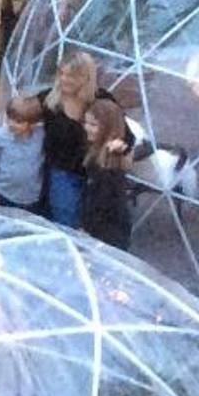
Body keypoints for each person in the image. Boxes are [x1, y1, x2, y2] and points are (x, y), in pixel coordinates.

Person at [39, 54, 102, 229]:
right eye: (61, 73)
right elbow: (19, 116)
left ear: (85, 77)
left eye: (70, 76)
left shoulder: (100, 100)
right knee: (66, 222)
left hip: (95, 173)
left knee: (92, 224)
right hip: (63, 173)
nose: (63, 79)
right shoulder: (49, 100)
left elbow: (122, 131)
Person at [79, 95, 136, 250]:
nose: (86, 128)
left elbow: (102, 204)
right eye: (86, 122)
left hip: (107, 233)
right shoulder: (98, 153)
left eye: (93, 125)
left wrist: (87, 228)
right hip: (105, 228)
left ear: (107, 128)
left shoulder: (108, 167)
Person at [0, 94, 47, 212]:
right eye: (9, 118)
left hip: (30, 199)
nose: (11, 124)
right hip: (2, 194)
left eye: (18, 121)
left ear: (32, 124)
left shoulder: (41, 137)